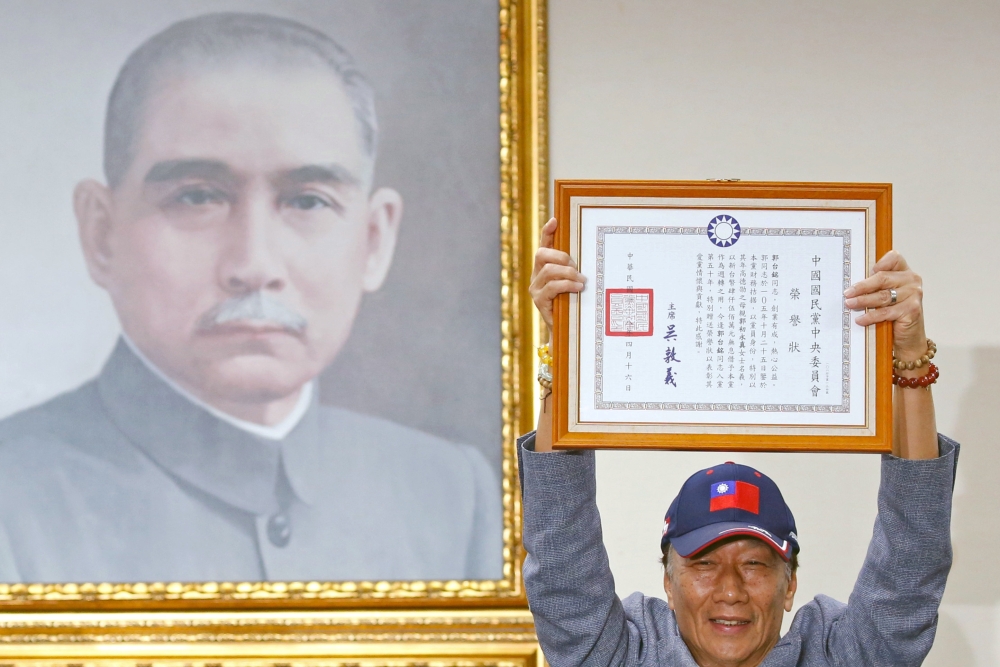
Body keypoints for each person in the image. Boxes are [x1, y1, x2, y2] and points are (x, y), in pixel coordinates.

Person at [0, 12, 501, 584]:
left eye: (308, 202)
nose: (254, 265)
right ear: (102, 234)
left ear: (373, 240)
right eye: (197, 197)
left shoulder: (450, 494)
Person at [519, 216, 956, 667]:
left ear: (789, 585)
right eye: (703, 564)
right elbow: (562, 556)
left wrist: (909, 354)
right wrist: (566, 342)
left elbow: (910, 557)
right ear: (668, 583)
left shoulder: (842, 658)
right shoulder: (619, 658)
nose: (730, 591)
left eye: (754, 565)